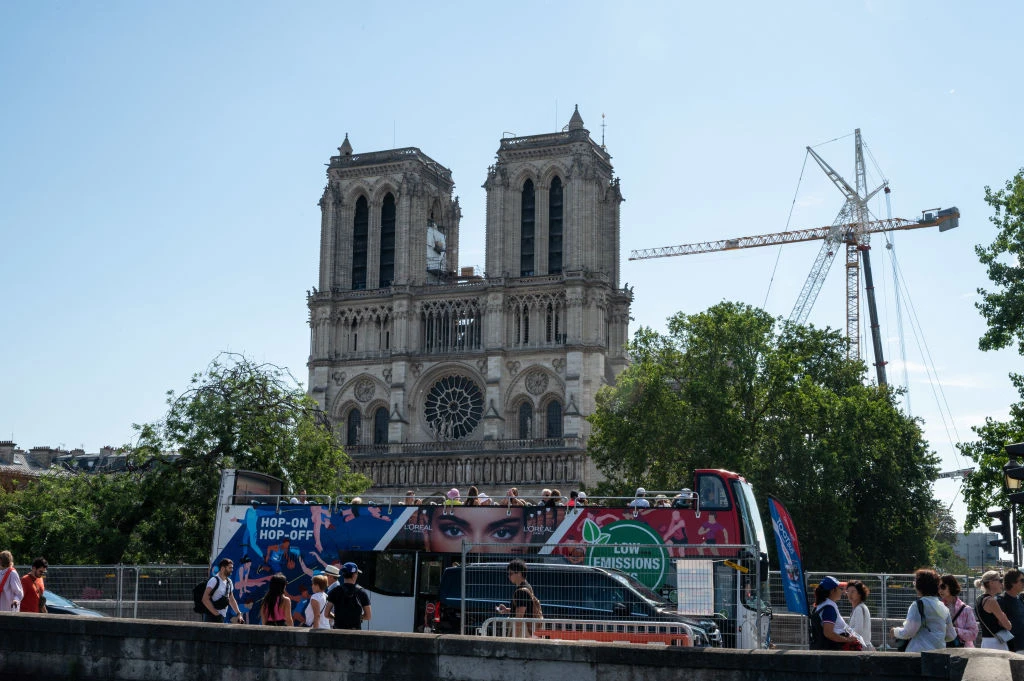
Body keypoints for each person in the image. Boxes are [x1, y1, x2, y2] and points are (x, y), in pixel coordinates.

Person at [892, 568, 956, 652]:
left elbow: (909, 632)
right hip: (939, 654)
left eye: (915, 583)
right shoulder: (943, 607)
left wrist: (895, 631)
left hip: (919, 654)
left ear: (920, 586)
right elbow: (951, 635)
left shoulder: (918, 605)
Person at [810, 576, 859, 650]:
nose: (842, 591)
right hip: (832, 651)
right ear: (832, 590)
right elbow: (828, 633)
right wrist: (848, 640)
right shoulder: (829, 608)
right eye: (840, 589)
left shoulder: (821, 605)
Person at [495, 558, 541, 637]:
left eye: (510, 573)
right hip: (528, 629)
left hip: (523, 631)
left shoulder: (521, 591)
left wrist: (515, 640)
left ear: (519, 573)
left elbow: (519, 617)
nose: (508, 576)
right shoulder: (527, 586)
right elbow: (524, 610)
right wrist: (507, 610)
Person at [326, 562, 371, 630]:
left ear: (343, 574)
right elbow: (368, 616)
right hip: (355, 633)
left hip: (338, 632)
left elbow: (326, 614)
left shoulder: (334, 591)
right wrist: (356, 618)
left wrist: (338, 617)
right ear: (354, 575)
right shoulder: (361, 592)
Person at [975, 570, 1013, 650]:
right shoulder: (991, 601)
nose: (1001, 583)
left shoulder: (979, 599)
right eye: (1000, 580)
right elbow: (1008, 626)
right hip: (996, 643)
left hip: (986, 642)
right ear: (991, 582)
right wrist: (1005, 619)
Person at [939, 574, 977, 648]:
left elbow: (973, 634)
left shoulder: (966, 609)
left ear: (951, 586)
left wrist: (955, 630)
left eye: (943, 587)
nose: (940, 590)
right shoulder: (937, 607)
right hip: (942, 650)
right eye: (938, 587)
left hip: (963, 651)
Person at [202, 558, 244, 623]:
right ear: (222, 568)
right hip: (211, 617)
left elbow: (231, 599)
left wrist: (239, 614)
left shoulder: (229, 582)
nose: (232, 570)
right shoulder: (214, 581)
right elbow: (205, 599)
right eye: (230, 568)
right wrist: (216, 614)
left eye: (232, 568)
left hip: (221, 617)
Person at [999, 568, 1024, 652]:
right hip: (1012, 649)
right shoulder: (1001, 601)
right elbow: (999, 625)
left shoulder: (1020, 599)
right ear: (1012, 582)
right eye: (1022, 580)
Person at [845, 580, 874, 650]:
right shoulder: (860, 607)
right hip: (864, 646)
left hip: (860, 647)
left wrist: (845, 631)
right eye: (848, 591)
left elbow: (858, 630)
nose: (849, 594)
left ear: (860, 593)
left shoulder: (859, 609)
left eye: (853, 591)